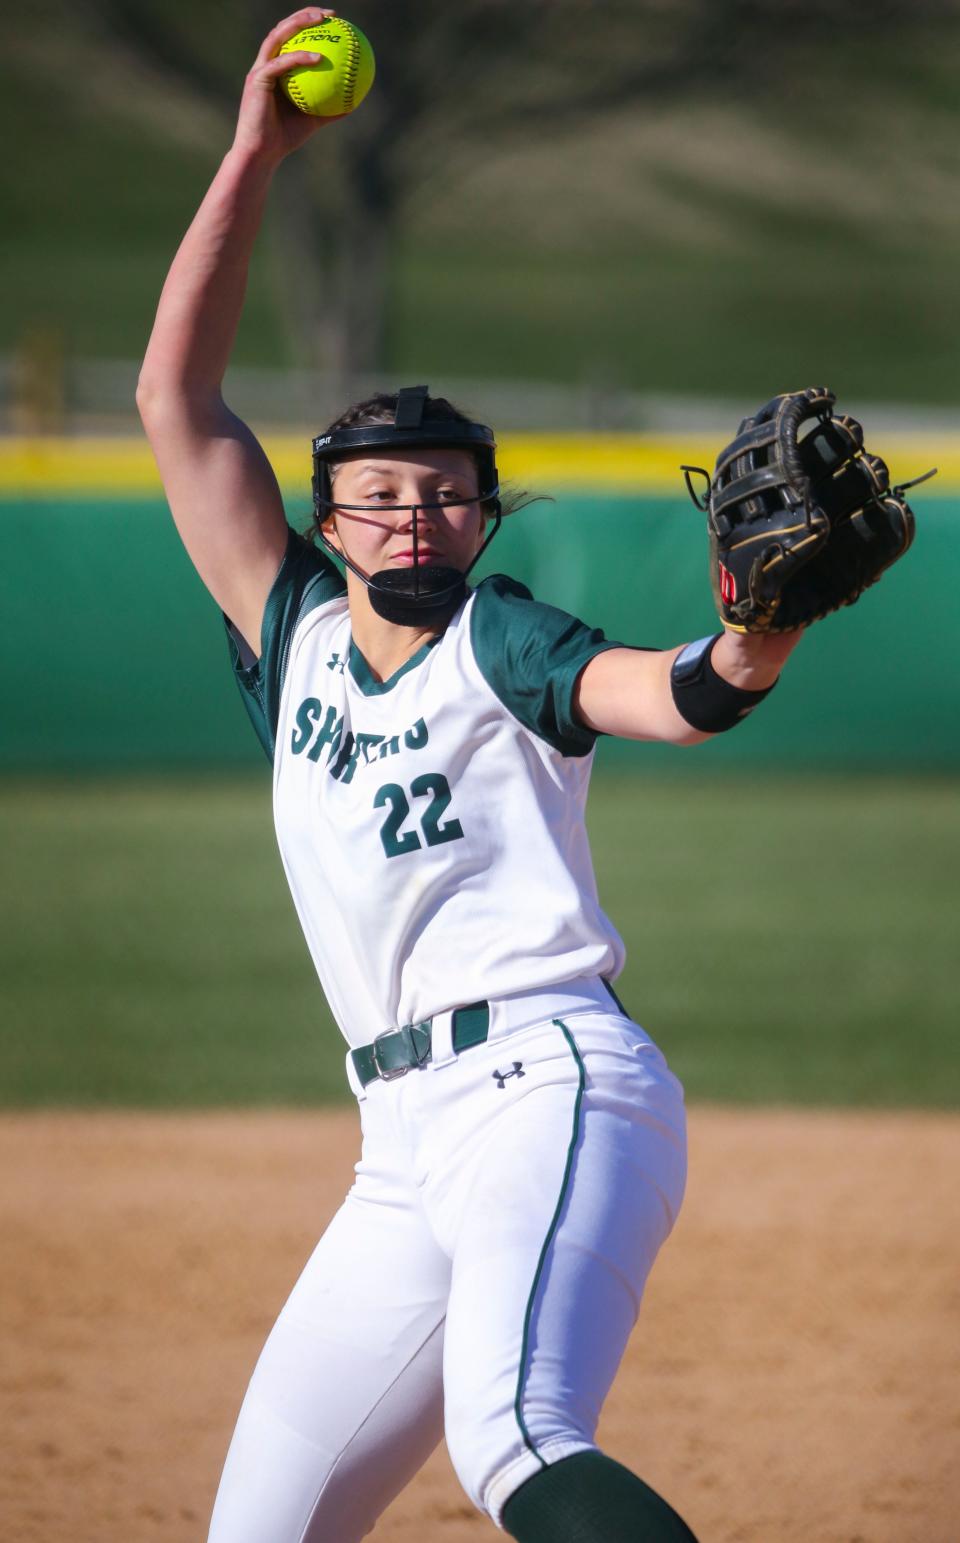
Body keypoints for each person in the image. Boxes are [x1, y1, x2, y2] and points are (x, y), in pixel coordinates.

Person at [137, 11, 800, 1540]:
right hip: (399, 1154)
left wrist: (754, 634)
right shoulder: (291, 624)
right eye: (378, 499)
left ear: (485, 522)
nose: (415, 521)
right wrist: (251, 157)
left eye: (448, 499)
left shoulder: (500, 641)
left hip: (547, 1088)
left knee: (514, 1438)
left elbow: (677, 695)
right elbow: (176, 404)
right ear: (330, 519)